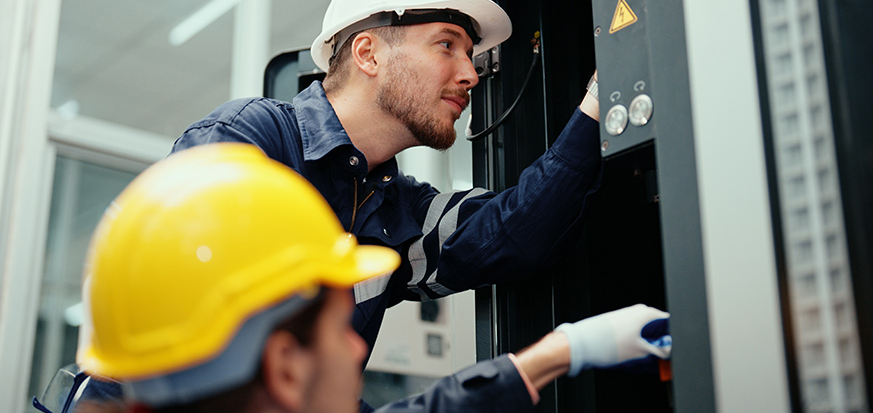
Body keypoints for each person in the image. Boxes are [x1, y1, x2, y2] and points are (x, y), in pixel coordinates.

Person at [170, 0, 608, 381]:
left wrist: (599, 100)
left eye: (470, 54)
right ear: (368, 54)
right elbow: (202, 349)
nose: (471, 74)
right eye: (446, 45)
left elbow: (516, 230)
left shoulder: (396, 210)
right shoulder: (250, 140)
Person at [47, 143, 670, 413]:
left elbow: (511, 229)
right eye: (336, 328)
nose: (357, 343)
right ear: (286, 368)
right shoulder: (253, 142)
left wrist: (565, 351)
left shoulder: (387, 199)